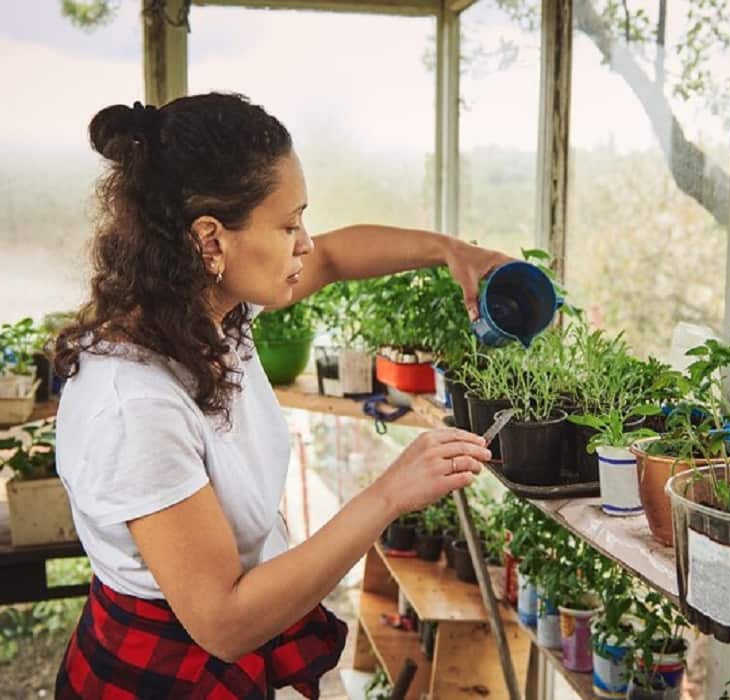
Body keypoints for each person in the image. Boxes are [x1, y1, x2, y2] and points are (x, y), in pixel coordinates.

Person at [52, 92, 512, 698]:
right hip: (159, 677)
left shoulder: (206, 316)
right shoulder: (137, 405)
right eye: (289, 224)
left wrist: (450, 251)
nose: (305, 243)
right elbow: (223, 622)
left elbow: (339, 256)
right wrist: (389, 494)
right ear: (210, 241)